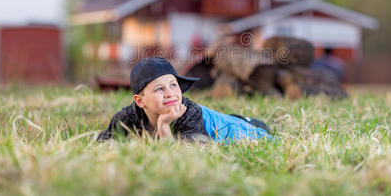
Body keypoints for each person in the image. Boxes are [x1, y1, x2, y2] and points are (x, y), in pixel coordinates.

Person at [97, 57, 271, 143]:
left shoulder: (189, 113)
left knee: (256, 133)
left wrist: (164, 126)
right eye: (159, 89)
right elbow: (103, 142)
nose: (170, 93)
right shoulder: (127, 118)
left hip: (227, 127)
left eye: (173, 85)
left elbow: (189, 154)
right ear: (140, 101)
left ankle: (249, 121)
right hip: (215, 119)